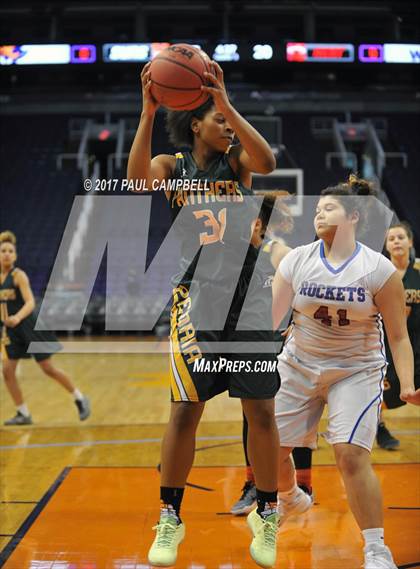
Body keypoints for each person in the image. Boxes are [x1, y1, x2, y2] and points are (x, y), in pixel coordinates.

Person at [128, 60, 280, 568]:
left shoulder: (237, 164)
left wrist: (228, 103)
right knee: (185, 410)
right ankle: (170, 516)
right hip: (196, 296)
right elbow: (135, 185)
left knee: (259, 410)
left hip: (250, 293)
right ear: (195, 124)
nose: (227, 129)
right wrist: (148, 111)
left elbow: (269, 161)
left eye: (228, 122)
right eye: (217, 120)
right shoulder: (173, 166)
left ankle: (267, 510)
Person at [271, 175, 420, 569]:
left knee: (351, 456)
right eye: (317, 208)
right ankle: (290, 498)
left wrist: (407, 383)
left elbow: (399, 337)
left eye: (329, 208)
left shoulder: (378, 270)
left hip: (355, 370)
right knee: (268, 452)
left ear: (354, 216)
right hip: (299, 363)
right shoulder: (297, 260)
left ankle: (375, 547)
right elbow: (269, 320)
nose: (318, 212)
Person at [230, 195, 314, 517]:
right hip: (253, 341)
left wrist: (296, 322)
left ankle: (302, 485)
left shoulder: (278, 250)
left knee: (295, 412)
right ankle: (255, 483)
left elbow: (306, 288)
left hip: (284, 343)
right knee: (252, 414)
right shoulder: (239, 254)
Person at [0, 231, 90, 425]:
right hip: (11, 331)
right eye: (3, 251)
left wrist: (17, 317)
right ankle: (22, 413)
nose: (6, 254)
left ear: (15, 256)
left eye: (10, 251)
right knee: (7, 371)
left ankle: (79, 398)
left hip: (29, 325)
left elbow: (31, 302)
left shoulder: (18, 276)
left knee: (47, 368)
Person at [376, 222, 420, 449]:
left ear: (410, 241)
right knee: (379, 396)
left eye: (401, 237)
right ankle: (378, 428)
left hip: (417, 343)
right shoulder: (380, 273)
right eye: (391, 239)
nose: (396, 242)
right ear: (386, 246)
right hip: (388, 344)